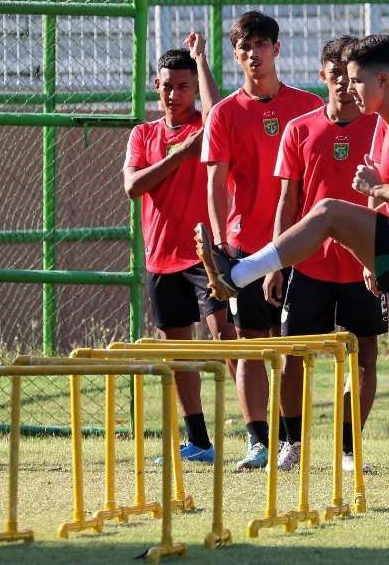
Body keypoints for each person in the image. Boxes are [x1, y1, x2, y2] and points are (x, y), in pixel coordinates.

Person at [196, 34, 389, 525]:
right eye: (344, 80)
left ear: (383, 81)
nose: (349, 90)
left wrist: (378, 187)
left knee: (328, 212)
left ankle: (238, 273)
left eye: (356, 81)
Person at [202, 11, 324, 469]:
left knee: (292, 344)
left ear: (277, 48)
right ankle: (260, 441)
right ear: (235, 54)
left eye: (260, 44)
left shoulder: (307, 106)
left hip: (300, 243)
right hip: (245, 246)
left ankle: (294, 441)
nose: (252, 54)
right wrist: (218, 241)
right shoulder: (225, 114)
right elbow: (215, 183)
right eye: (243, 47)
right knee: (251, 342)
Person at [271, 36, 385, 472]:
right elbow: (288, 200)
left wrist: (378, 257)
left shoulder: (380, 128)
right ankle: (292, 443)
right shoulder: (300, 128)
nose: (341, 82)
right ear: (323, 77)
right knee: (293, 352)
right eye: (334, 74)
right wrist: (278, 261)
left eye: (348, 75)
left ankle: (348, 448)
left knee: (364, 355)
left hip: (362, 265)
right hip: (309, 264)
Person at [123, 34, 231, 464]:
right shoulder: (143, 134)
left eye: (183, 86)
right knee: (179, 350)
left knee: (227, 340)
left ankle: (263, 437)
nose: (174, 94)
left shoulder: (205, 127)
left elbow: (218, 110)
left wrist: (202, 59)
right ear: (156, 84)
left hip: (203, 256)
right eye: (167, 85)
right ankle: (200, 441)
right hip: (161, 258)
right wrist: (178, 155)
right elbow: (134, 186)